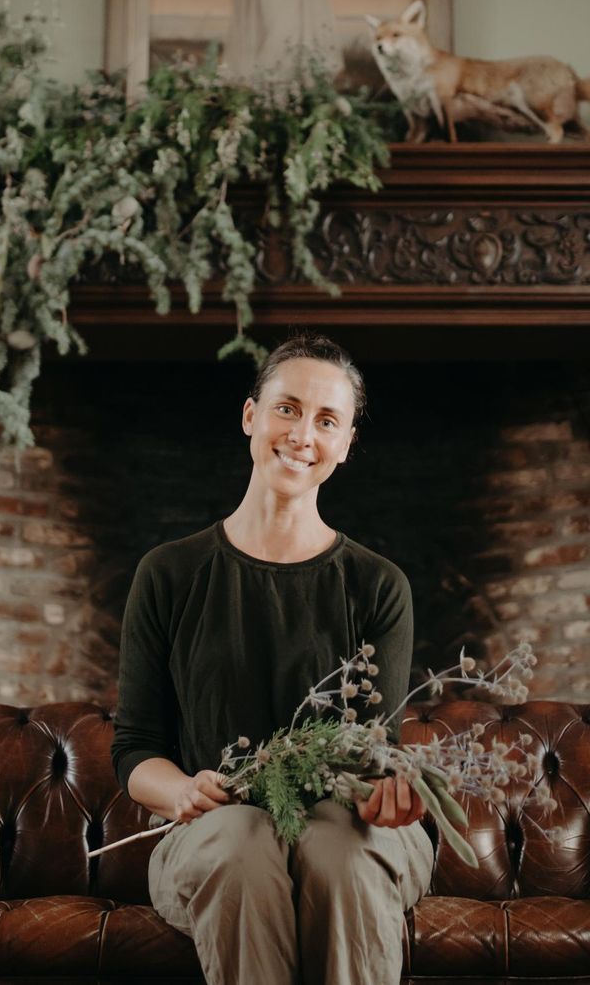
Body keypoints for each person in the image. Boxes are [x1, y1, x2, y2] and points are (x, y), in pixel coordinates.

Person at [111, 331, 436, 984]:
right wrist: (181, 790)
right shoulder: (169, 574)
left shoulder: (379, 586)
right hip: (213, 828)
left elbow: (375, 752)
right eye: (287, 408)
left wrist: (386, 798)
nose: (302, 433)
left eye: (327, 420)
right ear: (250, 415)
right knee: (242, 843)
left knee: (338, 855)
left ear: (345, 445)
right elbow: (135, 747)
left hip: (345, 827)